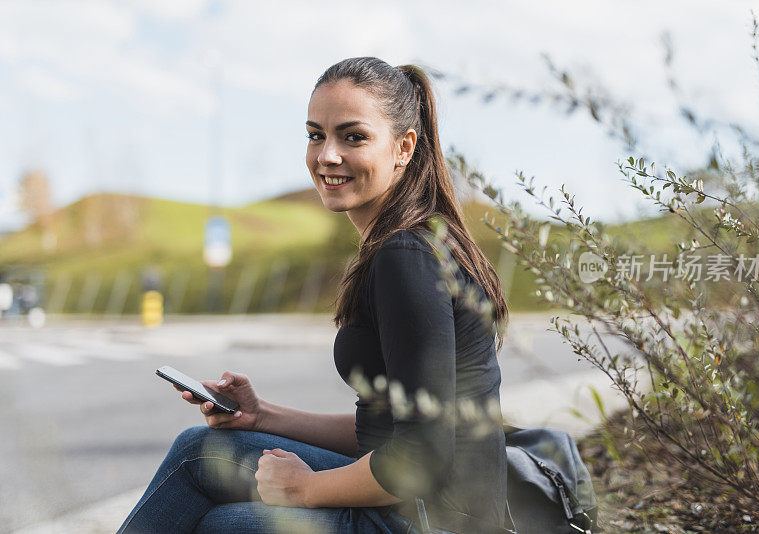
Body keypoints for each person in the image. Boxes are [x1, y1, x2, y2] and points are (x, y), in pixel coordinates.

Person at [117, 56, 510, 534]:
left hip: (438, 521)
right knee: (200, 453)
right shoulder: (413, 244)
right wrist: (261, 416)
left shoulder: (406, 257)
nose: (327, 155)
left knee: (213, 510)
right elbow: (383, 431)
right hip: (427, 509)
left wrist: (305, 489)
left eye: (353, 136)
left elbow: (423, 453)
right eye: (315, 135)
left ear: (404, 148)